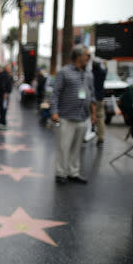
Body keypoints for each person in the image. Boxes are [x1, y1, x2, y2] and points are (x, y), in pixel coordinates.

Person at [51, 45, 96, 184]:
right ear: (78, 56)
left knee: (76, 148)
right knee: (63, 147)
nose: (89, 59)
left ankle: (73, 172)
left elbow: (92, 95)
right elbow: (55, 93)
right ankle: (61, 173)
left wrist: (93, 114)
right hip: (65, 117)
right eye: (87, 56)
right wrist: (54, 112)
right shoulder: (64, 72)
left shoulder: (88, 74)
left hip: (82, 117)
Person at [0, 64, 13, 130]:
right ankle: (2, 122)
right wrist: (5, 93)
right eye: (9, 68)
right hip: (2, 96)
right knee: (3, 109)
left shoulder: (4, 75)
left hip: (2, 95)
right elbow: (3, 85)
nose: (10, 69)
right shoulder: (4, 75)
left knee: (1, 109)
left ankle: (1, 122)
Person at [92, 59, 108, 145]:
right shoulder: (102, 73)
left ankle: (88, 132)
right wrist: (105, 64)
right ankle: (101, 136)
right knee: (100, 118)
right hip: (100, 99)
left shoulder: (91, 74)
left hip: (91, 99)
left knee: (88, 116)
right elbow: (106, 71)